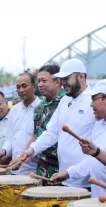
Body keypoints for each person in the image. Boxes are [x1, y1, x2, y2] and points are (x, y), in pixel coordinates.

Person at [11, 58, 96, 189]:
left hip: (86, 180)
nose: (63, 83)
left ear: (81, 76)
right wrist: (32, 150)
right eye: (62, 79)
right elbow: (52, 132)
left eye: (67, 78)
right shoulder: (65, 100)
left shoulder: (93, 101)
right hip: (64, 176)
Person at [50, 79, 106, 197]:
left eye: (94, 99)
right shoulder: (99, 125)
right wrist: (68, 173)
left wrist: (96, 152)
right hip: (97, 199)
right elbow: (92, 161)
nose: (91, 104)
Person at [0, 73, 42, 175]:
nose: (21, 90)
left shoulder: (42, 108)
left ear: (34, 86)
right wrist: (4, 150)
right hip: (14, 168)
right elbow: (10, 137)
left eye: (24, 86)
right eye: (18, 87)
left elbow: (40, 137)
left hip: (34, 170)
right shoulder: (14, 110)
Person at [33, 64, 65, 185]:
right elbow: (36, 135)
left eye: (44, 81)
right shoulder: (39, 108)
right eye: (39, 81)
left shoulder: (67, 103)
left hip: (61, 170)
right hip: (42, 170)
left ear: (57, 81)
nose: (40, 84)